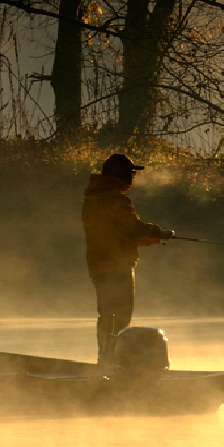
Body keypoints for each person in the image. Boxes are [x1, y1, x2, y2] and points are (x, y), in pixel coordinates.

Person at [82, 153, 174, 364]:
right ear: (122, 175)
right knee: (119, 315)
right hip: (117, 266)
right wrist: (160, 232)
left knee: (107, 314)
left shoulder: (92, 199)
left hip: (98, 265)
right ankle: (113, 361)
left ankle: (105, 358)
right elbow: (132, 227)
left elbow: (113, 233)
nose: (133, 178)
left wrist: (144, 240)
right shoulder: (115, 199)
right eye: (131, 173)